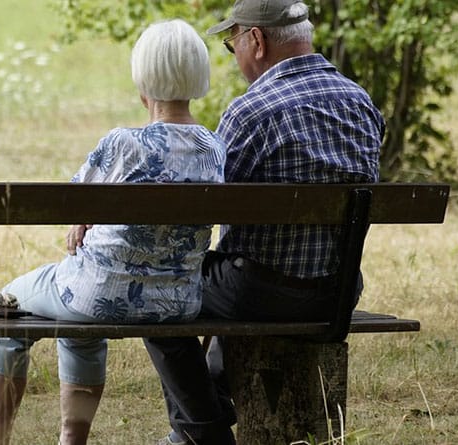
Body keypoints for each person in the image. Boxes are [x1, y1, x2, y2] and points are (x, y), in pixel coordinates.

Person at [142, 1, 385, 444]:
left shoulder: (251, 110)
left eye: (232, 42)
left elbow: (203, 206)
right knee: (229, 275)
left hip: (260, 293)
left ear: (256, 40)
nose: (233, 56)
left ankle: (206, 432)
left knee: (158, 290)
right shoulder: (361, 102)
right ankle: (196, 427)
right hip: (337, 294)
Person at [0, 19, 226, 445]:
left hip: (97, 295)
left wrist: (82, 221)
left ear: (143, 81)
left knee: (9, 308)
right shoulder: (213, 148)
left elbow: (74, 204)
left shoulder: (121, 144)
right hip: (177, 302)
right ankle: (72, 439)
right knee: (78, 316)